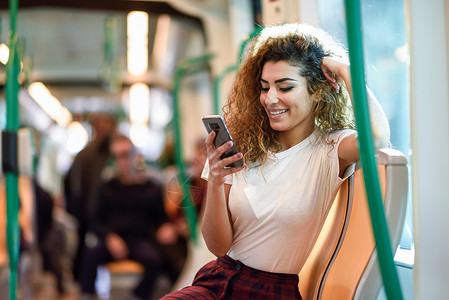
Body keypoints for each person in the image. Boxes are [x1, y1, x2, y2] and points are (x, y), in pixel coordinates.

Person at [161, 22, 390, 300]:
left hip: (273, 291)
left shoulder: (330, 148)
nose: (270, 98)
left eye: (285, 87)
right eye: (265, 87)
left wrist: (345, 70)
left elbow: (377, 137)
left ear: (317, 91)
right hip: (219, 278)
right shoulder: (241, 146)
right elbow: (218, 246)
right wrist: (217, 183)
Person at [80, 135, 178, 300]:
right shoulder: (106, 188)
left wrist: (166, 227)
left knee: (155, 260)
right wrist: (110, 237)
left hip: (139, 240)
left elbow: (161, 218)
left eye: (125, 154)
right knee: (90, 255)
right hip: (113, 239)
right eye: (117, 156)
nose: (122, 160)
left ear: (135, 155)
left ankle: (137, 296)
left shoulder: (151, 188)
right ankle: (86, 295)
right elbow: (95, 220)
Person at [63, 113, 117, 282]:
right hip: (87, 209)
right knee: (86, 248)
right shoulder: (87, 154)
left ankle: (83, 283)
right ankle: (83, 284)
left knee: (90, 248)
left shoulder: (107, 154)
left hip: (95, 209)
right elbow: (73, 183)